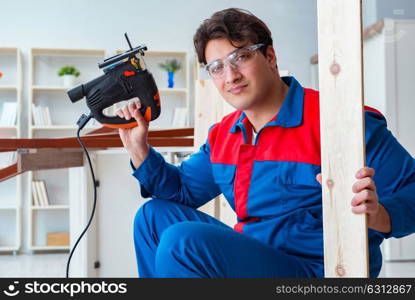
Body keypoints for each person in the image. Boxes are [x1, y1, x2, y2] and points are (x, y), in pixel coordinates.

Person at [116, 8, 415, 278]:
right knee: (152, 218)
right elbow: (181, 190)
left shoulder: (339, 122)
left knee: (182, 242)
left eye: (241, 57)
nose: (230, 76)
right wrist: (139, 149)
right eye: (217, 67)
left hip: (316, 270)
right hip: (254, 258)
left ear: (270, 57)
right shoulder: (224, 135)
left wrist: (381, 215)